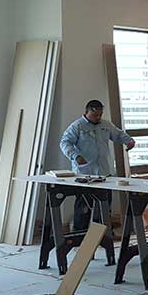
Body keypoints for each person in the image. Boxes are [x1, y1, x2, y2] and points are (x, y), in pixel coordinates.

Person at [59, 99, 136, 231]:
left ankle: (102, 236)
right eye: (95, 115)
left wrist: (129, 141)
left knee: (104, 208)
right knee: (84, 208)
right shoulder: (77, 126)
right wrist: (75, 156)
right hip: (85, 174)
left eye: (100, 114)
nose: (98, 117)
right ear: (86, 112)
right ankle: (80, 236)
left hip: (104, 174)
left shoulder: (105, 125)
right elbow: (65, 143)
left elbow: (118, 134)